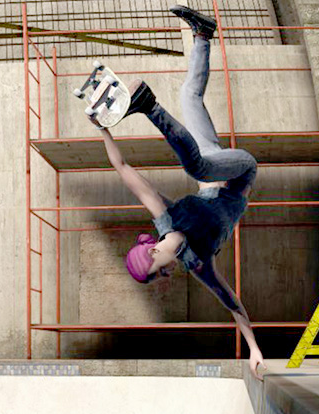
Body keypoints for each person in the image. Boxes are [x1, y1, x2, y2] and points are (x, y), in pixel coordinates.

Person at [90, 5, 266, 380]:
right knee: (199, 167)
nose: (167, 274)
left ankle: (202, 34)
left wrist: (102, 128)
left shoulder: (164, 219)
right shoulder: (198, 264)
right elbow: (232, 303)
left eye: (159, 272)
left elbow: (122, 169)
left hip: (211, 165)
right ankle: (148, 106)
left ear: (153, 253)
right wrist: (254, 349)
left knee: (190, 96)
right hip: (239, 174)